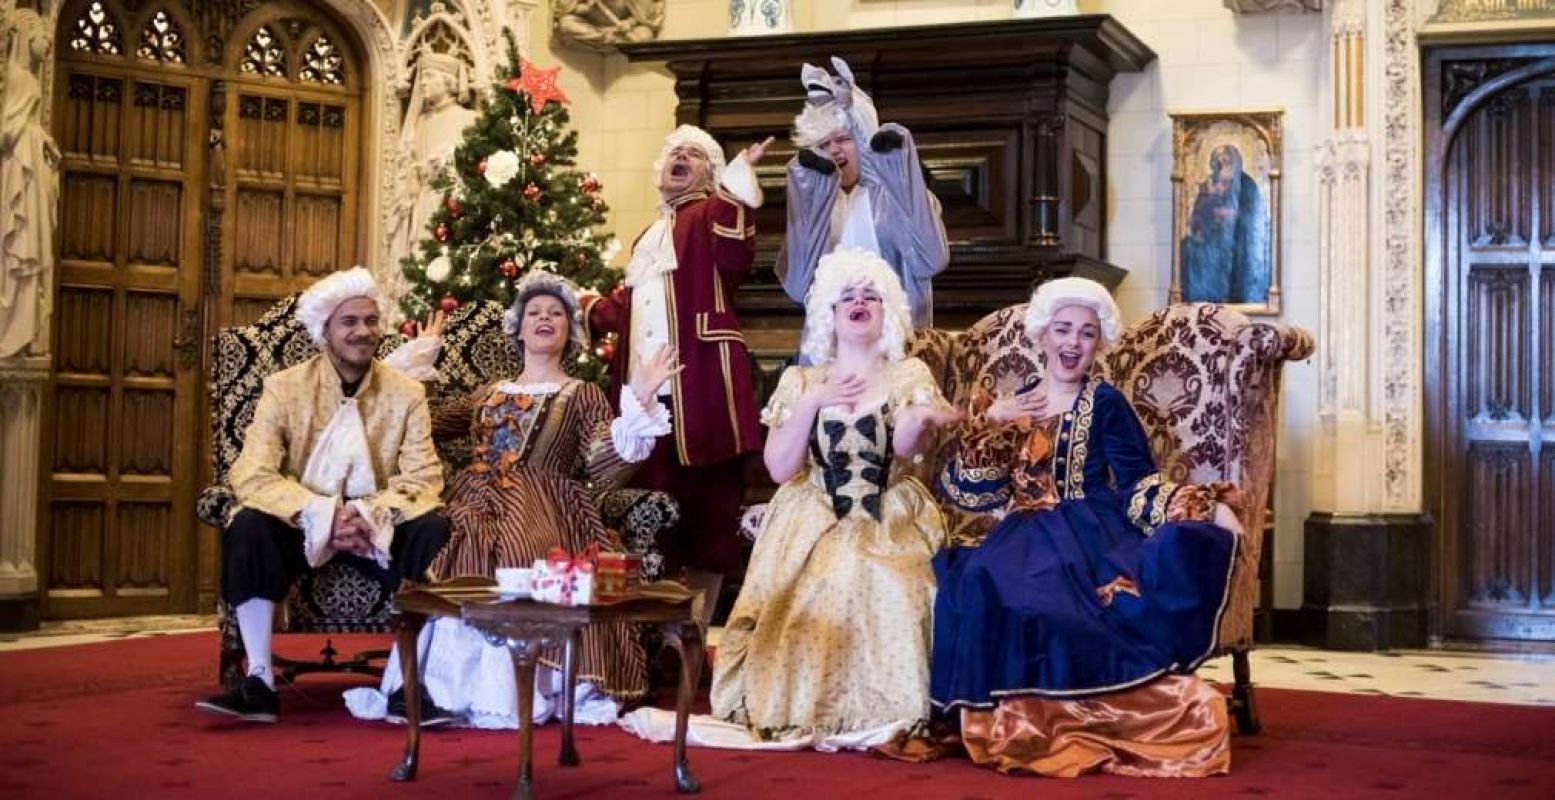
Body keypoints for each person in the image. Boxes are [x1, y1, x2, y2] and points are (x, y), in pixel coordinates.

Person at [620, 249, 960, 750]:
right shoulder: (800, 380)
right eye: (847, 296)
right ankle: (803, 708)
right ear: (829, 313)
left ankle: (884, 711)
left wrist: (917, 421)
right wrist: (812, 403)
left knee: (891, 580)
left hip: (889, 512)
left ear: (887, 311)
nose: (859, 303)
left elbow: (912, 449)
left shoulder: (908, 374)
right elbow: (781, 468)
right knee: (819, 583)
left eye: (871, 296)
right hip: (813, 511)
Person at [912, 276, 1245, 777]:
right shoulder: (1015, 401)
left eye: (1086, 333)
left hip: (1092, 530)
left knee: (1066, 600)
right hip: (1022, 532)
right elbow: (973, 493)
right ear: (1043, 334)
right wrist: (992, 422)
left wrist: (1200, 505)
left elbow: (1137, 483)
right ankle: (1012, 721)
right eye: (1063, 329)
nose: (1072, 343)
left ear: (1099, 342)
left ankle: (1080, 716)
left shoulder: (1107, 402)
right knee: (983, 580)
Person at [344, 271, 679, 728]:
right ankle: (428, 688)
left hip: (544, 502)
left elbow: (604, 466)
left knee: (526, 548)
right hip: (470, 500)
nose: (544, 318)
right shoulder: (489, 393)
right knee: (443, 541)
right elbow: (419, 422)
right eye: (534, 313)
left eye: (556, 314)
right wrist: (415, 364)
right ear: (518, 330)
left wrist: (639, 400)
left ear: (569, 331)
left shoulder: (580, 394)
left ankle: (515, 689)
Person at [196, 267, 451, 724]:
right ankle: (258, 682)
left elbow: (424, 476)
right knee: (249, 523)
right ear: (325, 330)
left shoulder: (407, 393)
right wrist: (319, 515)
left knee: (434, 526)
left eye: (371, 321)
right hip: (300, 523)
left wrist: (369, 515)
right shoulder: (284, 389)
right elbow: (251, 473)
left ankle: (405, 684)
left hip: (376, 529)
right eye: (349, 322)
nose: (363, 332)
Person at [584, 125, 771, 625]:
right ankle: (649, 630)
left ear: (711, 173)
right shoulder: (648, 236)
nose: (680, 158)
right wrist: (585, 308)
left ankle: (690, 634)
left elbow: (736, 253)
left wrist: (736, 184)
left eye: (694, 154)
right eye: (673, 153)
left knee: (708, 516)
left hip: (701, 384)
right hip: (648, 398)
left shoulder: (712, 212)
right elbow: (628, 307)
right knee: (654, 511)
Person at [777, 57, 948, 328]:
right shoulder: (818, 209)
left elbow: (931, 261)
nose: (834, 151)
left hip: (896, 344)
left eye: (844, 140)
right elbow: (798, 288)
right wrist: (813, 199)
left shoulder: (896, 197)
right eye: (823, 144)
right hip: (831, 351)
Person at [1, 7, 61, 358]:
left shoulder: (26, 77)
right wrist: (37, 140)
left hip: (31, 171)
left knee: (29, 250)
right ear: (25, 38)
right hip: (18, 177)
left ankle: (22, 329)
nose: (48, 45)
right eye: (42, 38)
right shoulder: (19, 78)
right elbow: (8, 132)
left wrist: (43, 143)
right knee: (19, 246)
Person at [1180, 143, 1269, 305]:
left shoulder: (1247, 185)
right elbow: (1197, 217)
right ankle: (1199, 298)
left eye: (1226, 162)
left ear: (1236, 163)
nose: (1222, 166)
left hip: (1239, 238)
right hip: (1211, 237)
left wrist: (1227, 214)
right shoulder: (1209, 184)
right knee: (1187, 247)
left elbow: (1253, 217)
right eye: (1218, 162)